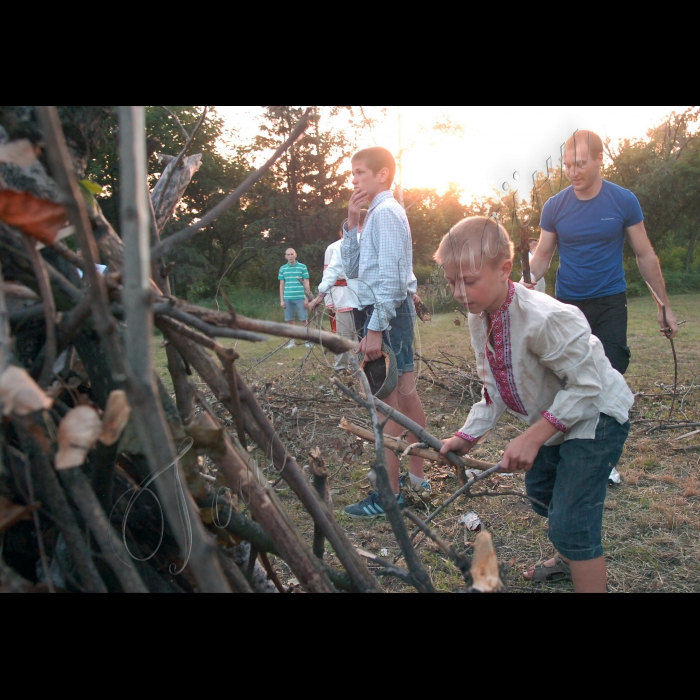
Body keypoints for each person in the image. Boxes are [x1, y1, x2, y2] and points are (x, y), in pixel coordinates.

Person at [437, 216, 634, 593]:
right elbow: (493, 383)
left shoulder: (544, 319)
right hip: (557, 418)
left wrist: (534, 436)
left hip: (597, 415)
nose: (460, 292)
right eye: (451, 282)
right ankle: (567, 559)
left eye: (469, 280)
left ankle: (578, 553)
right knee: (541, 493)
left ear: (504, 269)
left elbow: (589, 383)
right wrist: (468, 435)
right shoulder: (480, 316)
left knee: (572, 521)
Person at [528, 129, 678, 375]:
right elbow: (542, 256)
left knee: (611, 370)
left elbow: (645, 255)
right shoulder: (554, 206)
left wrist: (664, 306)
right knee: (572, 375)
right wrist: (525, 282)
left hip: (611, 301)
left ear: (599, 159)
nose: (572, 173)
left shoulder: (623, 201)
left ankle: (612, 415)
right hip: (569, 304)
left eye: (580, 164)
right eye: (567, 165)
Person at [340, 146, 429, 518]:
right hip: (383, 313)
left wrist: (375, 329)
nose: (355, 179)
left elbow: (392, 281)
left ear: (383, 175)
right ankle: (416, 477)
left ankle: (389, 496)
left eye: (361, 172)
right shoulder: (371, 215)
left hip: (386, 316)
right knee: (405, 399)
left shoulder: (388, 213)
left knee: (385, 406)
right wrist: (350, 224)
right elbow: (354, 267)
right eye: (353, 173)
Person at [307, 212, 368, 370]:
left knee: (358, 334)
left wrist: (320, 297)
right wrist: (325, 298)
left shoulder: (370, 239)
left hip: (364, 297)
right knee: (347, 334)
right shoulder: (337, 246)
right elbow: (330, 273)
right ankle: (345, 366)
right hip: (345, 297)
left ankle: (358, 366)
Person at [278, 248, 312, 349]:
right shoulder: (282, 268)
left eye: (292, 254)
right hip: (287, 297)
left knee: (303, 320)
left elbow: (306, 283)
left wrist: (307, 298)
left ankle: (307, 341)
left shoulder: (302, 267)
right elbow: (281, 285)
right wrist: (281, 300)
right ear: (285, 256)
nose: (290, 256)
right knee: (290, 321)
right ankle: (291, 342)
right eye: (288, 255)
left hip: (300, 297)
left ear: (295, 255)